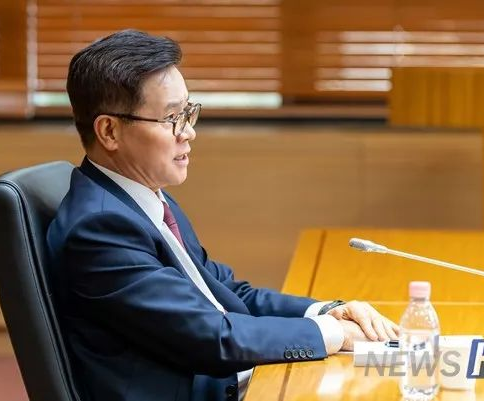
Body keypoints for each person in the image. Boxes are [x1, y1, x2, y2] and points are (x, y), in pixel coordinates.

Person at [46, 29, 398, 401]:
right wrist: (333, 334)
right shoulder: (99, 229)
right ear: (109, 131)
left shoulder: (143, 200)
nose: (189, 132)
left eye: (188, 112)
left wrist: (326, 312)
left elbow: (227, 293)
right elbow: (212, 339)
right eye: (171, 118)